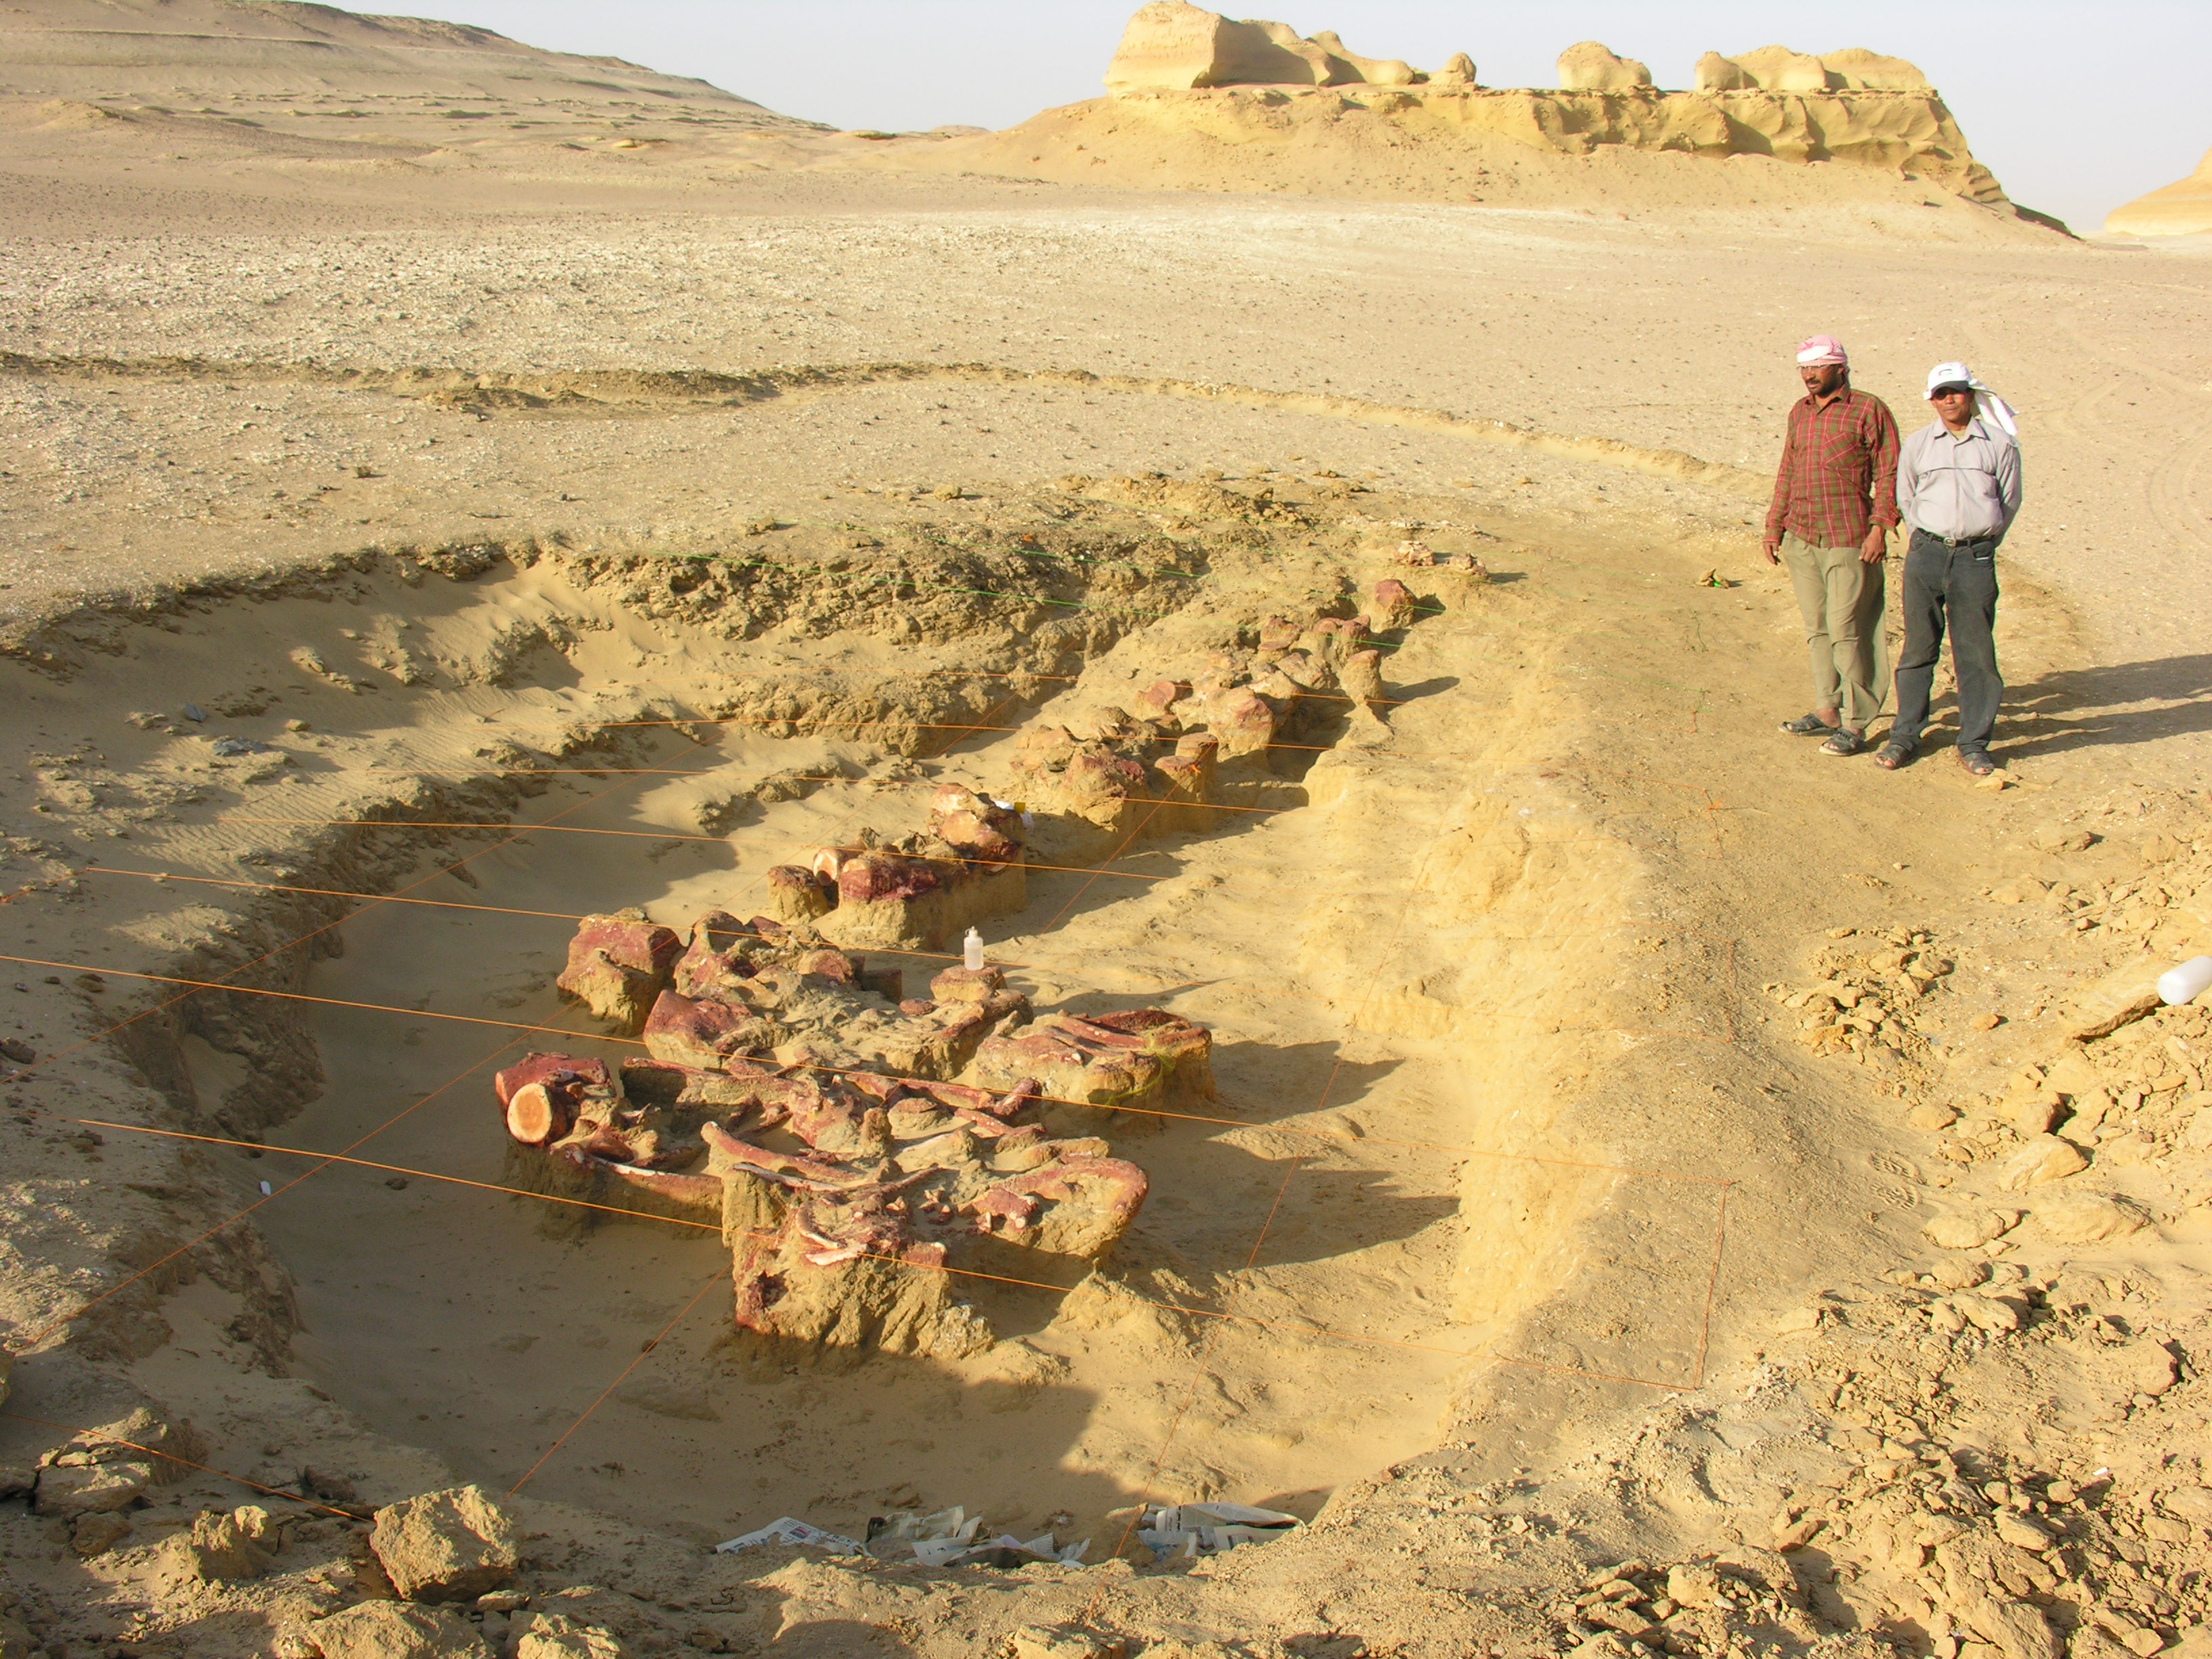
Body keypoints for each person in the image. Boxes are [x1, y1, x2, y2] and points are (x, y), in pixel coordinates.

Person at [1877, 362, 2022, 776]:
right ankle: (1905, 735)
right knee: (1918, 648)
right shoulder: (1920, 444)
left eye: (1956, 391)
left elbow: (2009, 501)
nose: (1949, 400)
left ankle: (1974, 742)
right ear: (1932, 400)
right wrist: (1927, 538)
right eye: (1941, 394)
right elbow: (1906, 496)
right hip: (1926, 554)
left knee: (1975, 653)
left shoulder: (2000, 445)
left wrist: (1982, 539)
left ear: (1971, 395)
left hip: (1975, 558)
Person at [1762, 335, 1902, 757]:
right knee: (1817, 628)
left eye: (1818, 366)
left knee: (1849, 629)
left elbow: (1890, 472)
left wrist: (1880, 528)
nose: (1809, 375)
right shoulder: (1799, 413)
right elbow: (1788, 468)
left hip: (1849, 538)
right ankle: (1827, 709)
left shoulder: (1868, 409)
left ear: (1841, 367)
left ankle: (1858, 721)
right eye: (1804, 367)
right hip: (1803, 535)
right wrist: (1774, 526)